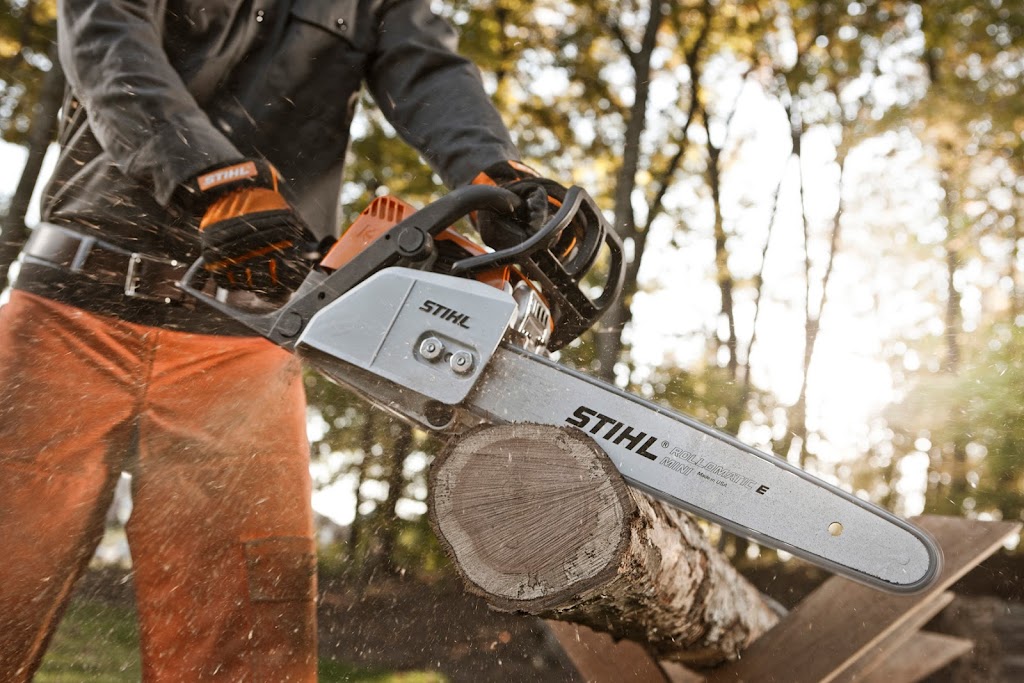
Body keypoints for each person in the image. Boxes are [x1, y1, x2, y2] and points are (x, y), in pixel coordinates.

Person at [0, 1, 571, 680]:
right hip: (74, 310)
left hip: (242, 341)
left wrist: (494, 171)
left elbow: (429, 70)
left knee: (246, 644)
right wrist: (208, 176)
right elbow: (109, 42)